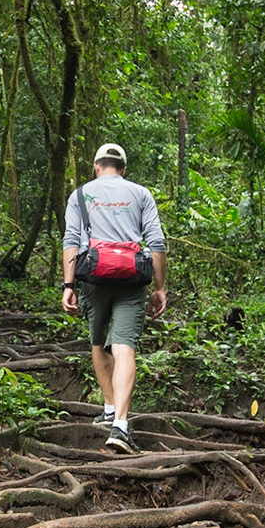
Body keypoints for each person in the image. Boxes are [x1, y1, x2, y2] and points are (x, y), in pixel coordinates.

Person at [60, 142, 168, 454]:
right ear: (122, 169)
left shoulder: (80, 194)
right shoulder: (141, 193)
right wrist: (160, 288)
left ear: (97, 167)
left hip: (93, 278)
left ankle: (110, 408)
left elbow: (70, 239)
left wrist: (68, 284)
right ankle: (118, 422)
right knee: (124, 347)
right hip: (132, 280)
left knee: (98, 343)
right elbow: (157, 242)